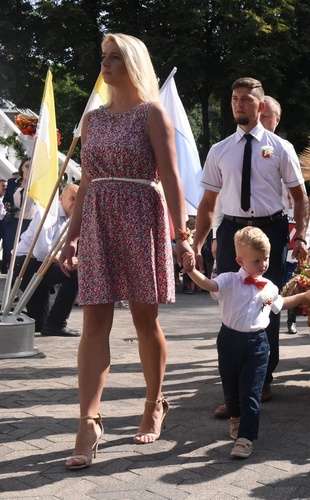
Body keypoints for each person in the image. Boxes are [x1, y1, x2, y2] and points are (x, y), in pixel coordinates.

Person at [60, 33, 193, 470]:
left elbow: (171, 179)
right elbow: (86, 186)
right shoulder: (92, 120)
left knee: (144, 318)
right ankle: (89, 421)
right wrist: (71, 235)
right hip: (98, 218)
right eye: (103, 56)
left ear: (133, 63)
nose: (107, 63)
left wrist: (181, 235)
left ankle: (154, 402)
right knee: (93, 318)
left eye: (116, 57)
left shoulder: (152, 113)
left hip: (141, 216)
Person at [192, 78, 310, 404]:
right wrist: (198, 244)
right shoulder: (220, 151)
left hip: (270, 231)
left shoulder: (280, 148)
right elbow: (207, 204)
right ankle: (233, 388)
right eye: (234, 99)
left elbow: (301, 198)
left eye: (245, 99)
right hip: (232, 232)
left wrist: (300, 235)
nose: (238, 104)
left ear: (260, 106)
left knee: (266, 306)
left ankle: (261, 380)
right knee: (232, 308)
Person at [186, 226, 310, 458]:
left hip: (258, 343)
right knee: (231, 389)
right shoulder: (228, 280)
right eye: (257, 260)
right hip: (229, 340)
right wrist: (190, 272)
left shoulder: (269, 286)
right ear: (240, 259)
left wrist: (304, 297)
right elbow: (209, 285)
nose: (263, 264)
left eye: (266, 258)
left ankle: (246, 438)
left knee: (251, 391)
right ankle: (235, 417)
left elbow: (280, 304)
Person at [14, 184, 80, 336]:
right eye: (72, 198)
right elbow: (41, 252)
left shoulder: (71, 219)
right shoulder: (48, 215)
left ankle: (47, 324)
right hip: (27, 264)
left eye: (79, 200)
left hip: (42, 266)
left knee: (39, 324)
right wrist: (68, 261)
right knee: (75, 271)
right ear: (61, 198)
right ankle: (57, 324)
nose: (76, 203)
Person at [4, 162, 38, 273]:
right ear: (21, 168)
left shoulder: (38, 184)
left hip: (29, 222)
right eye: (27, 166)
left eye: (33, 166)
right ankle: (7, 271)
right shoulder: (12, 182)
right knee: (9, 246)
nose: (29, 168)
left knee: (22, 249)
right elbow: (7, 198)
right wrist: (8, 205)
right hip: (14, 220)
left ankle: (20, 273)